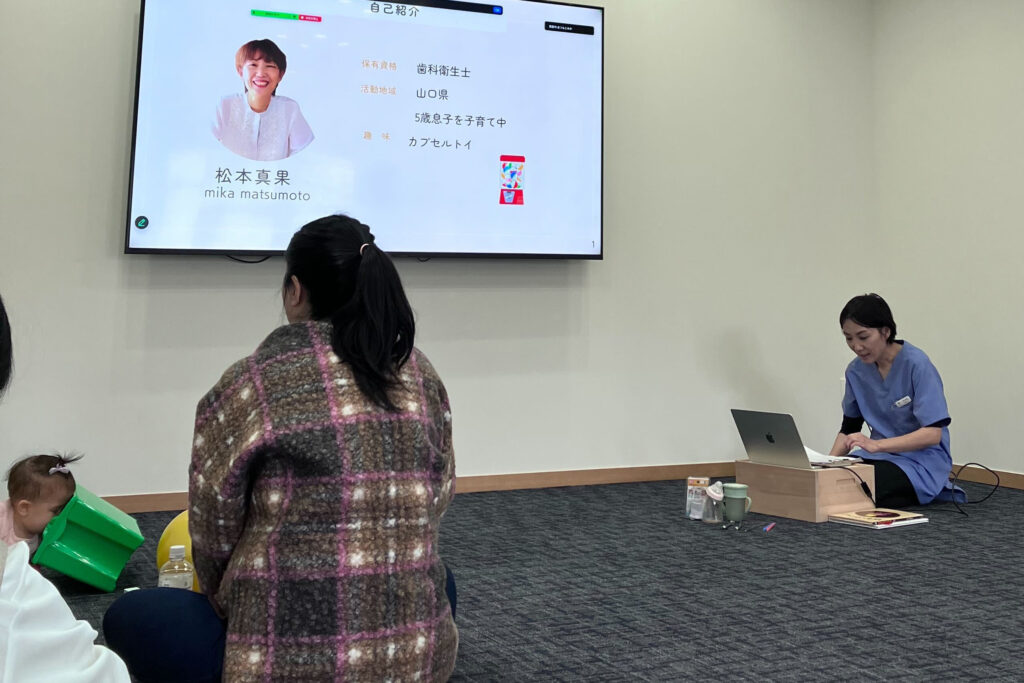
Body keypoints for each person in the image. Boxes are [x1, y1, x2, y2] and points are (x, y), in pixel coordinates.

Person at [105, 215, 458, 682]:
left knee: (129, 616)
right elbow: (438, 494)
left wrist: (227, 596)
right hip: (417, 658)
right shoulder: (419, 372)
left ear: (295, 290)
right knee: (441, 581)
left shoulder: (252, 381)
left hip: (286, 661)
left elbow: (212, 528)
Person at [0, 293, 131, 682]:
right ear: (23, 508)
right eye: (58, 512)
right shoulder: (8, 543)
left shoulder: (37, 536)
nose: (62, 519)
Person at [829, 293, 963, 506]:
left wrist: (877, 445)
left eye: (863, 337)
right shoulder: (855, 371)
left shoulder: (917, 364)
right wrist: (826, 466)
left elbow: (933, 434)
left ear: (885, 331)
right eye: (849, 338)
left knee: (859, 487)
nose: (856, 346)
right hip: (878, 457)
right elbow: (849, 428)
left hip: (920, 462)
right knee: (835, 482)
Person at [212, 38, 314, 161]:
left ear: (280, 75)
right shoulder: (225, 105)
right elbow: (206, 148)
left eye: (270, 66)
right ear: (240, 71)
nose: (260, 73)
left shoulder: (289, 109)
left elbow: (305, 155)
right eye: (253, 65)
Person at [1, 453, 83, 553]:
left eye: (65, 508)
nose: (61, 516)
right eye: (56, 510)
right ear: (24, 508)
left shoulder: (45, 532)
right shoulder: (2, 519)